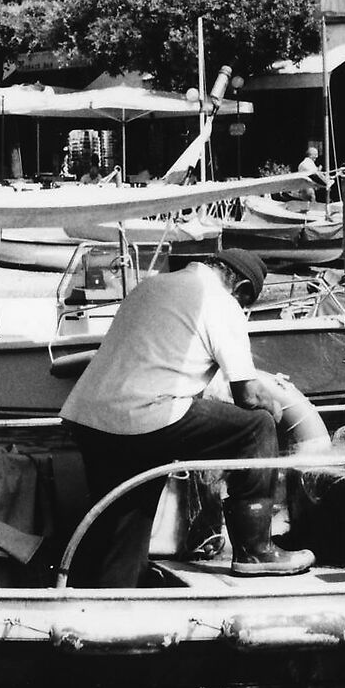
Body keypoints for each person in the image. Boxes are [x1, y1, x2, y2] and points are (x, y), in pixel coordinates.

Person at [58, 245, 313, 586]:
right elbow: (248, 395)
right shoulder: (221, 302)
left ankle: (111, 591)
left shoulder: (151, 285)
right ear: (241, 290)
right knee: (256, 427)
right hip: (145, 415)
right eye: (245, 305)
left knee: (127, 509)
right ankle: (256, 550)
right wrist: (277, 408)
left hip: (89, 417)